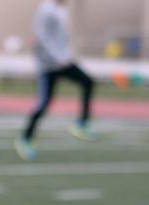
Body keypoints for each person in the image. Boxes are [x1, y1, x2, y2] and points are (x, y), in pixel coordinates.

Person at [15, 0, 96, 161]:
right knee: (44, 103)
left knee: (88, 82)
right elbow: (42, 37)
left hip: (63, 61)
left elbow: (61, 38)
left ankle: (82, 123)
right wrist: (58, 57)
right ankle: (25, 138)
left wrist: (67, 55)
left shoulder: (60, 10)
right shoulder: (46, 9)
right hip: (49, 65)